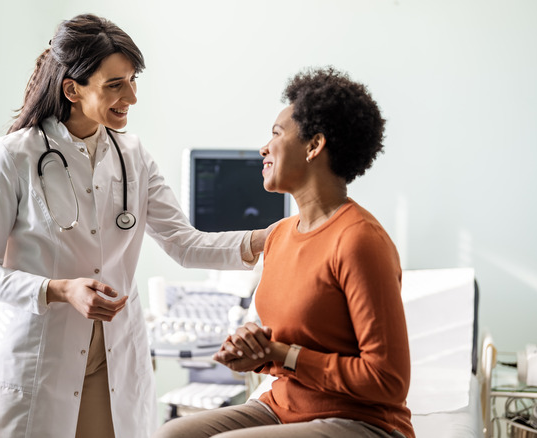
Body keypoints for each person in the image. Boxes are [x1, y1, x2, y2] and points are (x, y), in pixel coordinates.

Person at [0, 14, 272, 438]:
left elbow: (185, 244)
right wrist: (59, 289)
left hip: (114, 360)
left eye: (132, 80)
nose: (132, 96)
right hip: (41, 360)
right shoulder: (11, 157)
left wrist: (274, 240)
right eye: (115, 85)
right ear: (72, 89)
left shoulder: (133, 155)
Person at [153, 67, 415, 438]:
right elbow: (288, 342)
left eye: (276, 134)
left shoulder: (359, 240)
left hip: (359, 420)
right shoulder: (279, 236)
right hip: (284, 407)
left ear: (314, 146)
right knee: (170, 435)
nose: (264, 147)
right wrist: (255, 349)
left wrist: (281, 355)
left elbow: (388, 380)